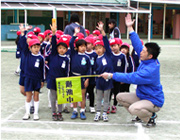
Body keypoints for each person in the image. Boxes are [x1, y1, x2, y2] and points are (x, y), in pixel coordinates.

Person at [100, 14, 164, 127]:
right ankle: (141, 115)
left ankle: (150, 117)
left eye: (144, 51)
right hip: (142, 95)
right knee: (120, 97)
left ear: (150, 56)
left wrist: (111, 75)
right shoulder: (147, 59)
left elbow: (131, 77)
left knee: (133, 108)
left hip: (153, 100)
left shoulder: (150, 70)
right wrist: (130, 28)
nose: (140, 52)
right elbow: (137, 44)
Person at [19, 24, 45, 121]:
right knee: (28, 96)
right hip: (28, 79)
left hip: (37, 79)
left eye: (38, 47)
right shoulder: (27, 54)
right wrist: (23, 33)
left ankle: (36, 113)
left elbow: (42, 70)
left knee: (36, 95)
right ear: (30, 48)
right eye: (34, 47)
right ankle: (27, 113)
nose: (36, 49)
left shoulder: (41, 58)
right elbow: (23, 44)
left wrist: (42, 80)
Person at [46, 23, 70, 121]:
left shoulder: (66, 59)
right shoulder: (53, 55)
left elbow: (66, 71)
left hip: (62, 80)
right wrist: (54, 33)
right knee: (53, 96)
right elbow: (54, 43)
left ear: (66, 50)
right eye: (60, 48)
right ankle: (53, 112)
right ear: (57, 49)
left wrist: (66, 80)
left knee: (61, 97)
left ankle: (59, 112)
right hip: (52, 79)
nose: (61, 50)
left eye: (64, 48)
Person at [93, 21, 113, 122]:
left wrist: (102, 31)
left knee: (106, 98)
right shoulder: (96, 58)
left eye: (100, 48)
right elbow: (95, 70)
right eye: (96, 49)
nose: (98, 50)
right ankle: (98, 112)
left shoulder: (108, 54)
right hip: (99, 81)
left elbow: (105, 41)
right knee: (99, 97)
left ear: (104, 49)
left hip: (108, 80)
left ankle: (104, 112)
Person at [69, 27, 91, 120]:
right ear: (77, 47)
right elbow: (70, 43)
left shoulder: (87, 57)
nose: (83, 48)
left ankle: (82, 111)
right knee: (74, 95)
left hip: (83, 78)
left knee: (82, 95)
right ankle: (75, 110)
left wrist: (87, 79)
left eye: (84, 46)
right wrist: (75, 34)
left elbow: (89, 69)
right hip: (74, 76)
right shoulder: (73, 54)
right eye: (81, 46)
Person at [108, 38, 127, 114]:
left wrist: (123, 78)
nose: (113, 48)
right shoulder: (110, 55)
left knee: (116, 92)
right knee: (109, 92)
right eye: (112, 46)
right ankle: (108, 105)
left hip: (118, 78)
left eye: (115, 45)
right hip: (110, 77)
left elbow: (125, 67)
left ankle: (114, 105)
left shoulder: (122, 56)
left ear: (119, 46)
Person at [85, 36, 97, 113]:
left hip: (92, 77)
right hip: (84, 76)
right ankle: (84, 106)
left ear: (93, 45)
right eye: (86, 44)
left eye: (89, 44)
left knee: (91, 91)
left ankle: (92, 106)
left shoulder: (95, 54)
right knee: (84, 92)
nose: (87, 45)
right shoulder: (83, 54)